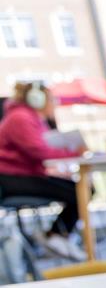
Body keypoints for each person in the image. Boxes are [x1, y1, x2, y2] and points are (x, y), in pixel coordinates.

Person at [0, 82, 88, 260]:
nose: (53, 103)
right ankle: (55, 236)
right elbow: (38, 151)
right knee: (79, 190)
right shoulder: (20, 117)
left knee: (81, 187)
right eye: (50, 99)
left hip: (22, 174)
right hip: (11, 179)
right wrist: (72, 152)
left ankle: (57, 236)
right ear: (37, 99)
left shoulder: (30, 117)